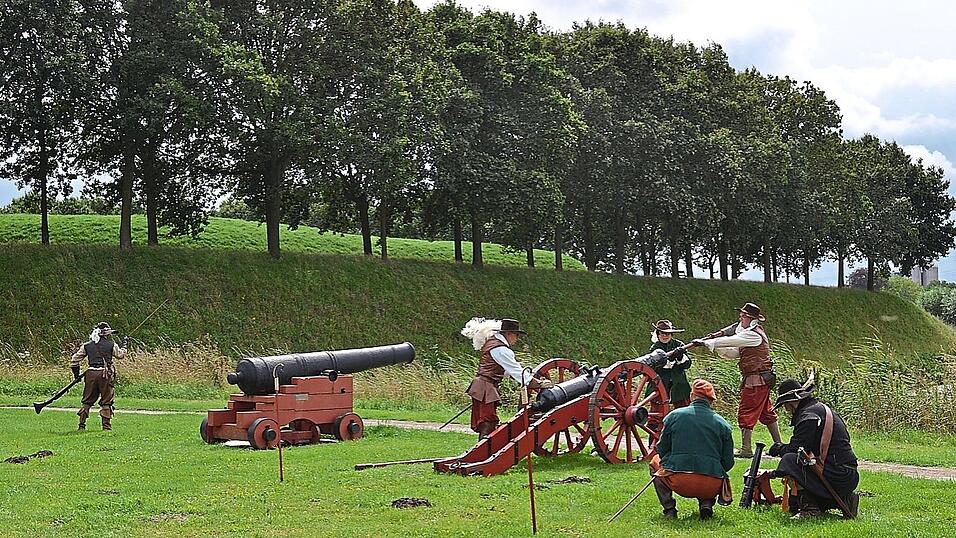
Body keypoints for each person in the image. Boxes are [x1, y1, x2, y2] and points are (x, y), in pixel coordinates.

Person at [693, 302, 782, 457]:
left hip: (756, 380)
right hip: (759, 380)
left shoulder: (752, 334)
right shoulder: (749, 335)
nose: (740, 318)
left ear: (750, 318)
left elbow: (731, 340)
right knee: (766, 412)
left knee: (746, 411)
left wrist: (708, 342)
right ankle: (778, 445)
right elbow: (733, 352)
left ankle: (746, 449)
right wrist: (712, 345)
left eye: (743, 316)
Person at [768, 376, 860, 519]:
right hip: (846, 474)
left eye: (785, 405)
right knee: (794, 501)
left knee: (790, 461)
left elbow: (797, 449)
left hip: (838, 475)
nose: (786, 410)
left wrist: (779, 449)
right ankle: (845, 500)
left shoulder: (808, 416)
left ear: (792, 402)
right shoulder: (818, 409)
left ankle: (810, 510)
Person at [650, 379, 735, 520]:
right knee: (715, 469)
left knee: (654, 461)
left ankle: (669, 510)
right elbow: (728, 462)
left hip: (679, 481)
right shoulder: (723, 424)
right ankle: (706, 505)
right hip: (711, 485)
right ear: (711, 401)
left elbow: (662, 448)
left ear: (691, 396)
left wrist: (670, 463)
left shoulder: (674, 416)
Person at [460, 318, 553, 438]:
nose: (517, 338)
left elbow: (507, 371)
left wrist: (527, 378)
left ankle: (484, 450)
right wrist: (538, 384)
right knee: (488, 421)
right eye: (516, 335)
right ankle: (483, 453)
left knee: (486, 420)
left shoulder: (492, 343)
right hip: (485, 387)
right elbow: (516, 372)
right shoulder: (501, 349)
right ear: (508, 333)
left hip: (482, 385)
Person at [70, 322, 127, 431]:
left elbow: (74, 360)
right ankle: (106, 427)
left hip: (90, 374)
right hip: (104, 375)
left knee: (87, 400)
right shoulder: (111, 344)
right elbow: (120, 355)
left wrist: (76, 375)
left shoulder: (87, 345)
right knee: (106, 400)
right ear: (106, 334)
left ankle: (81, 425)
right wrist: (124, 345)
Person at [647, 320, 692, 408]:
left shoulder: (679, 345)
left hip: (679, 383)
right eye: (662, 333)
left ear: (671, 335)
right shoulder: (655, 348)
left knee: (683, 408)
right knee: (658, 412)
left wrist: (680, 357)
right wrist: (670, 360)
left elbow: (687, 365)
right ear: (658, 334)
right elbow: (655, 368)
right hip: (660, 383)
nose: (664, 336)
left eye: (667, 334)